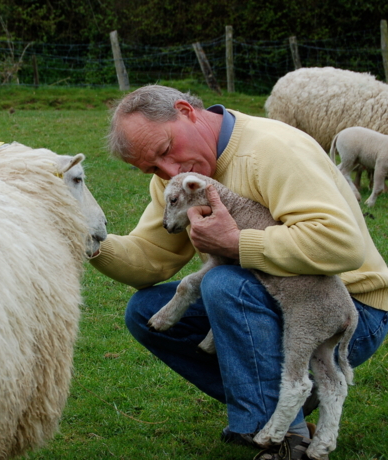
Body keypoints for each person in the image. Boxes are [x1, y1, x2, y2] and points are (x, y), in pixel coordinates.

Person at [89, 85, 388, 459]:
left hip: (350, 309)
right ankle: (276, 403)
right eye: (152, 168)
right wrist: (88, 240)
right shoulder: (179, 179)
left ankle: (285, 438)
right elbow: (152, 258)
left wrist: (237, 243)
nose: (168, 171)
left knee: (224, 283)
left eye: (165, 151)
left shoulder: (272, 150)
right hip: (278, 297)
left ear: (186, 110)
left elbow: (343, 245)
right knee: (145, 312)